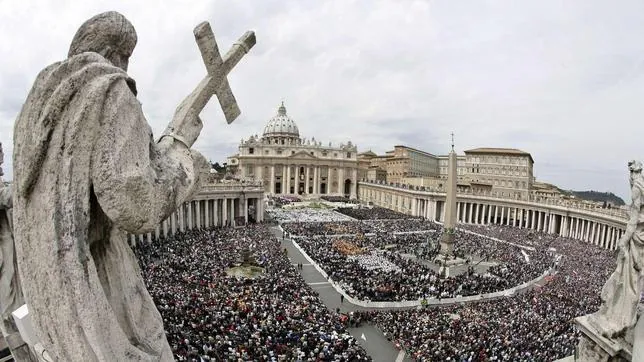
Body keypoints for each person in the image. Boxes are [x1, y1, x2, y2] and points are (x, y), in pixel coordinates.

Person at [12, 12, 208, 361]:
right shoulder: (109, 89)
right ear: (118, 54)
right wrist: (186, 165)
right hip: (97, 296)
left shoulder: (30, 112)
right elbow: (135, 203)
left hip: (52, 312)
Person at [590, 160, 644, 338]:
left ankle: (621, 316)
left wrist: (623, 240)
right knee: (633, 281)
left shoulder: (637, 187)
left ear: (632, 174)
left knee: (627, 280)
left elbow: (634, 219)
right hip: (641, 238)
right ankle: (625, 316)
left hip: (635, 236)